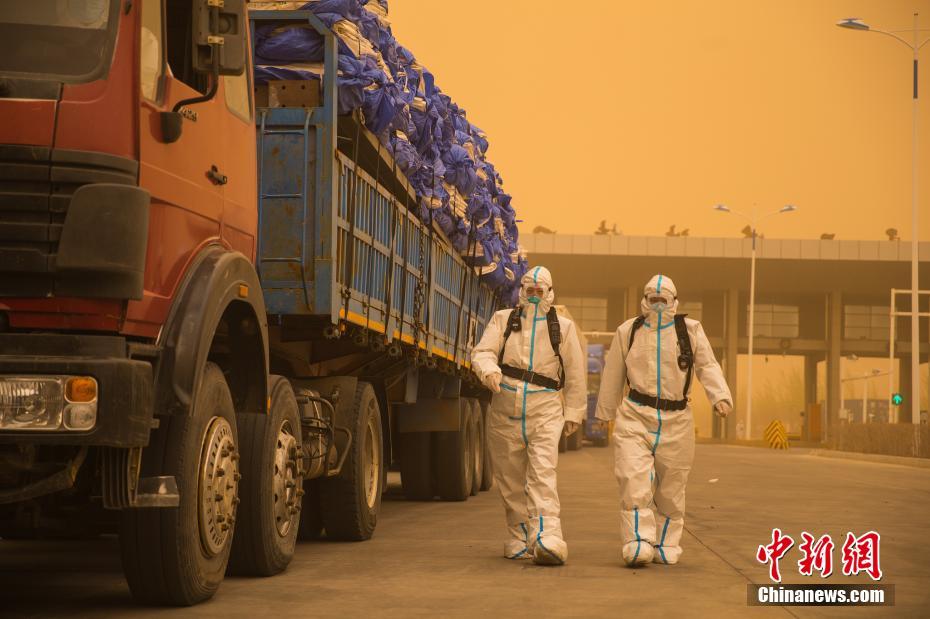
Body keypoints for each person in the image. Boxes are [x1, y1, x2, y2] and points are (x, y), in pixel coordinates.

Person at [595, 274, 732, 566]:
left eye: (663, 300)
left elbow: (707, 365)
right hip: (635, 415)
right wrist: (604, 413)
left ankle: (667, 542)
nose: (657, 305)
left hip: (677, 419)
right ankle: (638, 541)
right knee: (633, 480)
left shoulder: (690, 331)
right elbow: (613, 374)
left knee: (672, 486)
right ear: (644, 300)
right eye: (652, 299)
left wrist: (720, 396)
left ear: (673, 301)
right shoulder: (628, 331)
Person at [471, 266, 587, 565]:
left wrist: (574, 411)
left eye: (540, 292)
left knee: (542, 473)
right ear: (522, 291)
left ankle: (547, 535)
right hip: (505, 408)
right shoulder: (503, 320)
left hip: (545, 410)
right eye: (530, 291)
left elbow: (575, 371)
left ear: (550, 293)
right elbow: (483, 352)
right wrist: (490, 371)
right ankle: (519, 535)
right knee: (509, 479)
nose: (534, 297)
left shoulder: (562, 327)